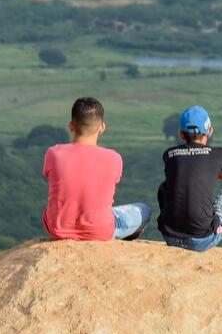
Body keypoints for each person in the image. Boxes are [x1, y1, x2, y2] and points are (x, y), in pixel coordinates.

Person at [43, 97, 151, 241]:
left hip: (57, 228)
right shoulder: (114, 158)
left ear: (71, 126)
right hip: (100, 231)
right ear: (102, 127)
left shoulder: (54, 153)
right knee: (144, 209)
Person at [157, 105, 222, 268]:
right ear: (210, 131)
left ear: (181, 134)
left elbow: (191, 170)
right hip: (200, 240)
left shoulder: (169, 155)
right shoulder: (220, 154)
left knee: (166, 185)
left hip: (169, 237)